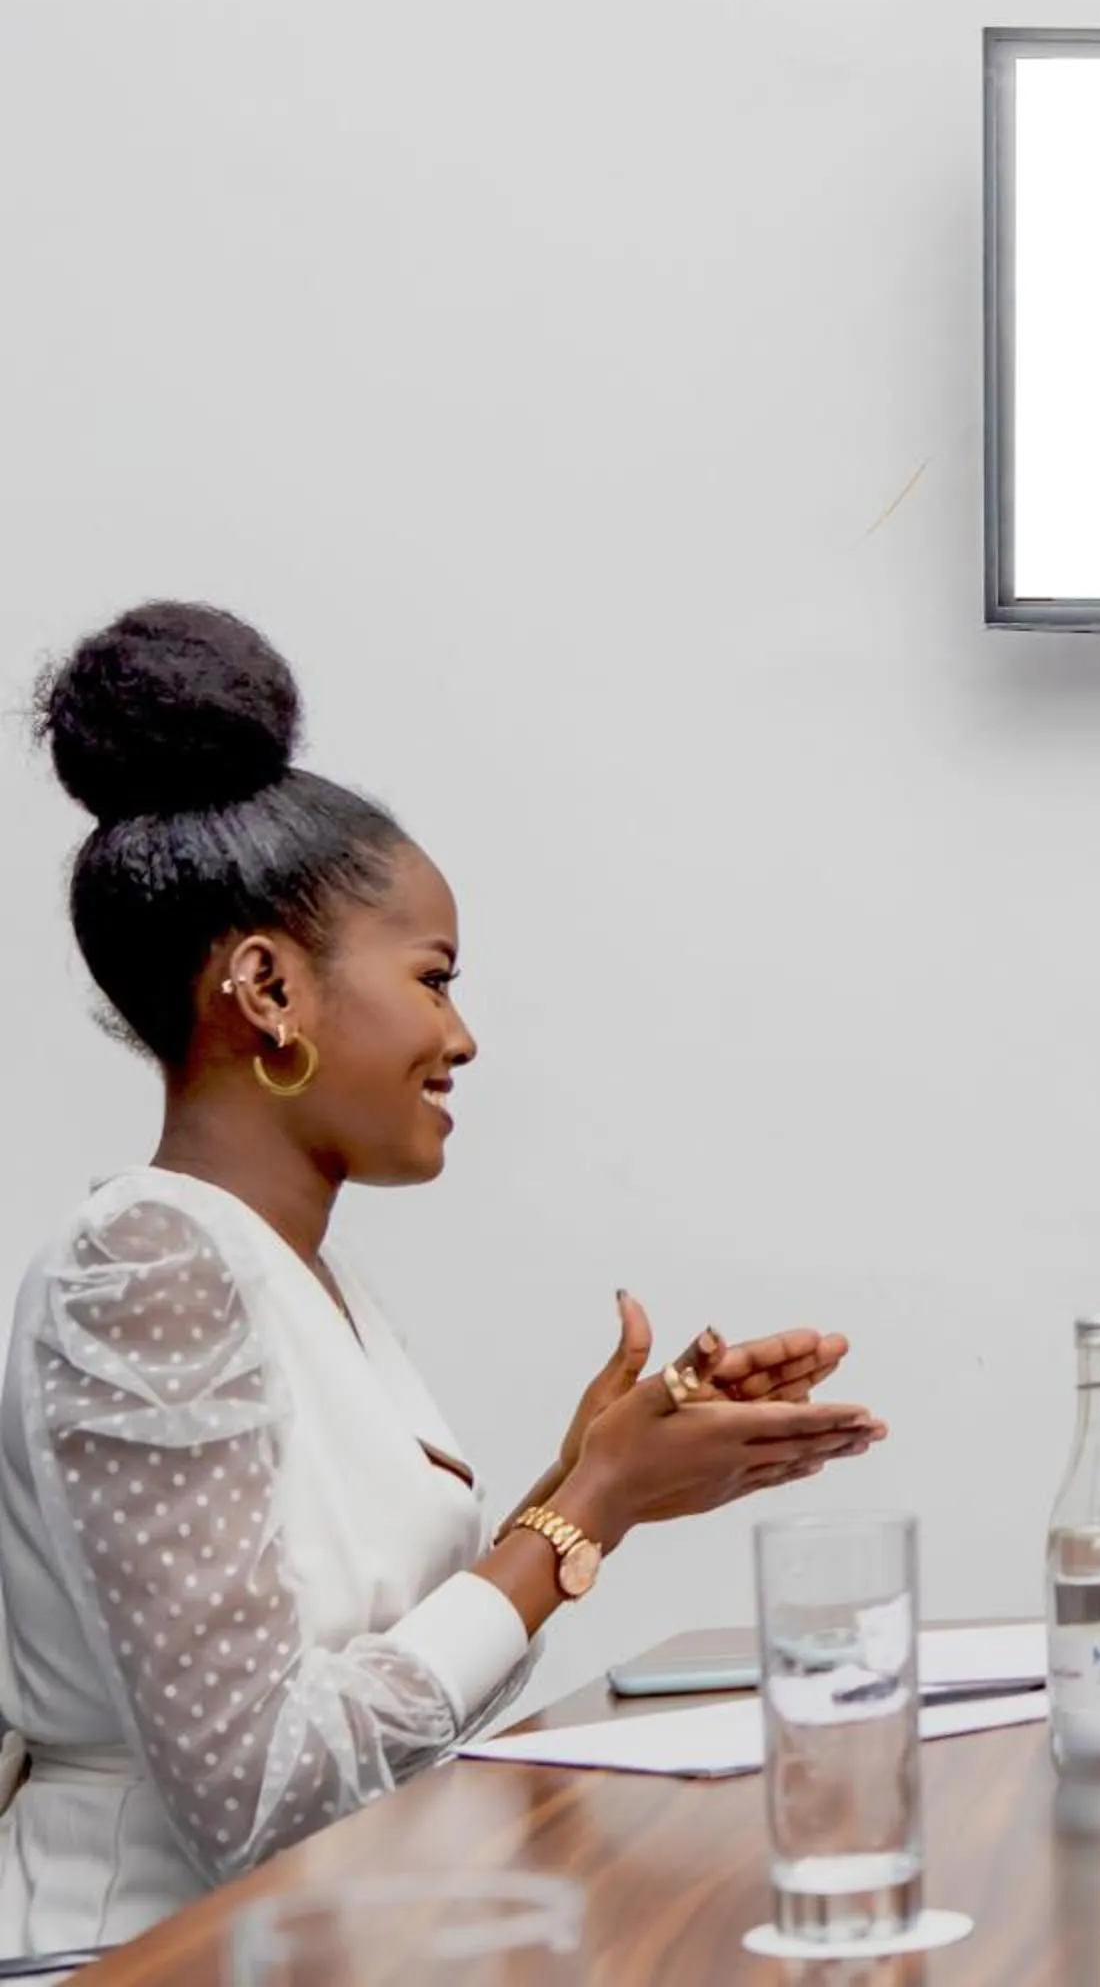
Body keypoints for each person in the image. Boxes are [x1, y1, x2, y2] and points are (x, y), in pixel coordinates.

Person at [0, 604, 889, 1960]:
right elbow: (258, 1793)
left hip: (326, 1937)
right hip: (148, 1956)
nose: (460, 1036)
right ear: (266, 987)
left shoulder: (292, 1269)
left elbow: (376, 1698)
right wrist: (587, 1509)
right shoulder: (149, 1268)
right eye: (432, 978)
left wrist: (599, 1480)